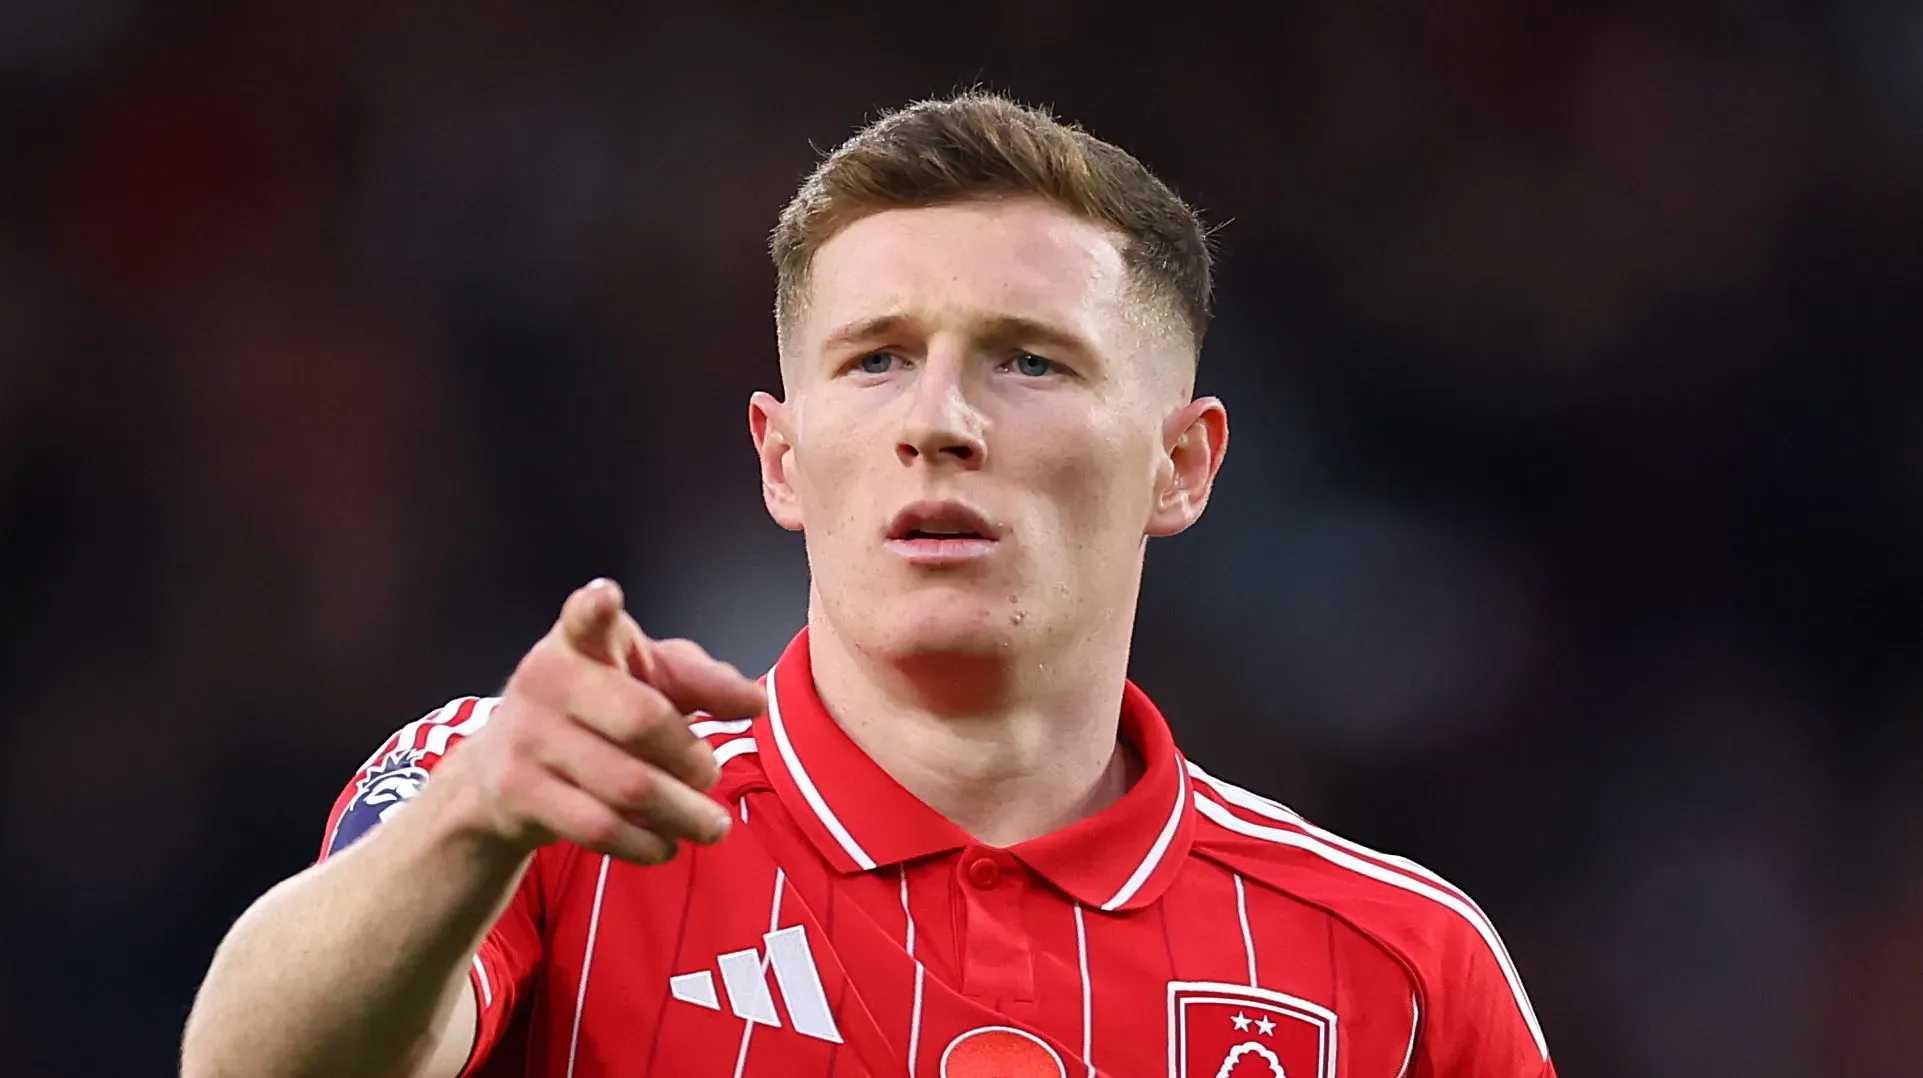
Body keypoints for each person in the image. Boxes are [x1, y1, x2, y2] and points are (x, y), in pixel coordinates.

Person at [181, 92, 1555, 1078]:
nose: (938, 419)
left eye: (1029, 359)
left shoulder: (1401, 967)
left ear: (1179, 466)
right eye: (875, 358)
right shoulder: (534, 814)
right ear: (782, 458)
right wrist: (471, 821)